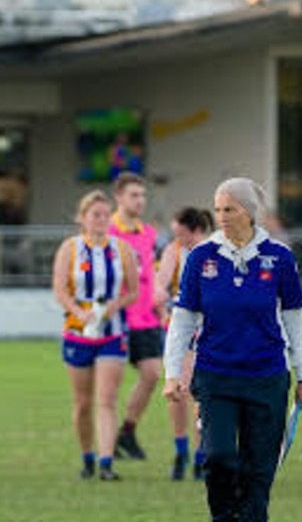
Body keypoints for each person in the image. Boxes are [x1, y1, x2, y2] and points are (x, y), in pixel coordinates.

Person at [163, 177, 302, 522]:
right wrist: (173, 373)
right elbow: (183, 320)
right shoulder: (200, 257)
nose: (221, 216)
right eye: (217, 209)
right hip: (216, 377)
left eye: (229, 209)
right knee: (218, 458)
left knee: (258, 472)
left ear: (249, 211)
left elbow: (294, 319)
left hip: (267, 378)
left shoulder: (279, 257)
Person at [52, 190, 139, 481]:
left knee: (107, 400)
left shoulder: (122, 249)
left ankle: (106, 463)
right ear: (82, 218)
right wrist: (79, 312)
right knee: (83, 403)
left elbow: (134, 291)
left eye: (105, 215)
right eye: (95, 215)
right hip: (77, 333)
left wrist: (114, 305)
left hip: (112, 334)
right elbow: (60, 290)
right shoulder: (70, 248)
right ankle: (87, 457)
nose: (102, 220)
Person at [154, 205, 215, 481]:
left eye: (182, 235)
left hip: (212, 331)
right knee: (178, 388)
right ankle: (182, 451)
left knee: (202, 394)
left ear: (198, 231)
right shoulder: (174, 251)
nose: (177, 240)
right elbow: (160, 286)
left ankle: (202, 454)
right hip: (182, 329)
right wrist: (163, 306)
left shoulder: (215, 251)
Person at [108, 172, 161, 461]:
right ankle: (105, 443)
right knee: (109, 386)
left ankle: (126, 432)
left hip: (145, 318)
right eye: (134, 195)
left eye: (142, 195)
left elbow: (151, 271)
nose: (140, 201)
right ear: (119, 197)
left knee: (152, 374)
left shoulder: (149, 233)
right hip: (116, 318)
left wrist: (159, 301)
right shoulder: (108, 232)